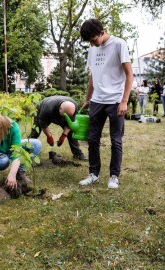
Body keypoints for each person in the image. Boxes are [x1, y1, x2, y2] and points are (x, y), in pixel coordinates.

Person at [79, 18, 133, 189]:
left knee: (115, 140)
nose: (93, 44)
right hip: (97, 101)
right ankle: (93, 174)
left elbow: (129, 74)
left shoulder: (119, 44)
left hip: (115, 101)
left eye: (94, 40)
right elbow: (93, 77)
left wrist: (124, 101)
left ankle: (114, 176)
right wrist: (88, 99)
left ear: (101, 33)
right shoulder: (92, 49)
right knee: (92, 139)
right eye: (90, 42)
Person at [0, 110, 42, 195]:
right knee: (4, 161)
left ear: (4, 126)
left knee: (36, 144)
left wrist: (12, 174)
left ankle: (20, 172)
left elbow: (17, 153)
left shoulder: (13, 127)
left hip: (11, 149)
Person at [29, 95, 87, 160]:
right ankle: (27, 150)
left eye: (69, 116)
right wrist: (49, 136)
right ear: (60, 109)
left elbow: (70, 124)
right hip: (42, 109)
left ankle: (78, 154)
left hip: (59, 110)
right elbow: (43, 123)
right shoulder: (47, 108)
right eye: (65, 116)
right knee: (35, 131)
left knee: (71, 133)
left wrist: (64, 135)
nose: (66, 118)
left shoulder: (74, 107)